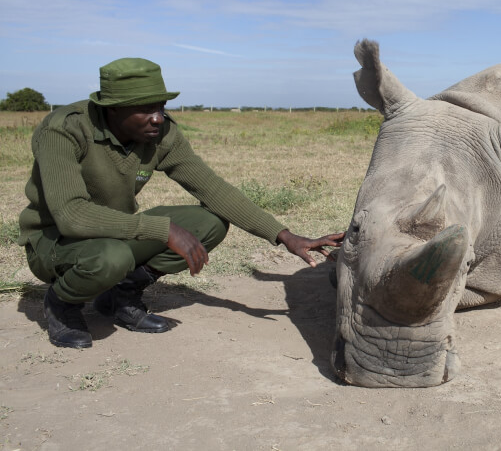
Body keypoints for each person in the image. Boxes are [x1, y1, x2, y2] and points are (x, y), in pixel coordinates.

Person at [18, 58, 344, 349]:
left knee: (210, 223)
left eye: (161, 107)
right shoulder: (64, 129)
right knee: (111, 256)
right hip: (54, 242)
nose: (158, 119)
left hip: (112, 232)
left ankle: (120, 297)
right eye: (146, 109)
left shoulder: (161, 135)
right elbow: (71, 216)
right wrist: (162, 229)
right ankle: (61, 303)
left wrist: (284, 235)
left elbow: (212, 188)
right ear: (112, 109)